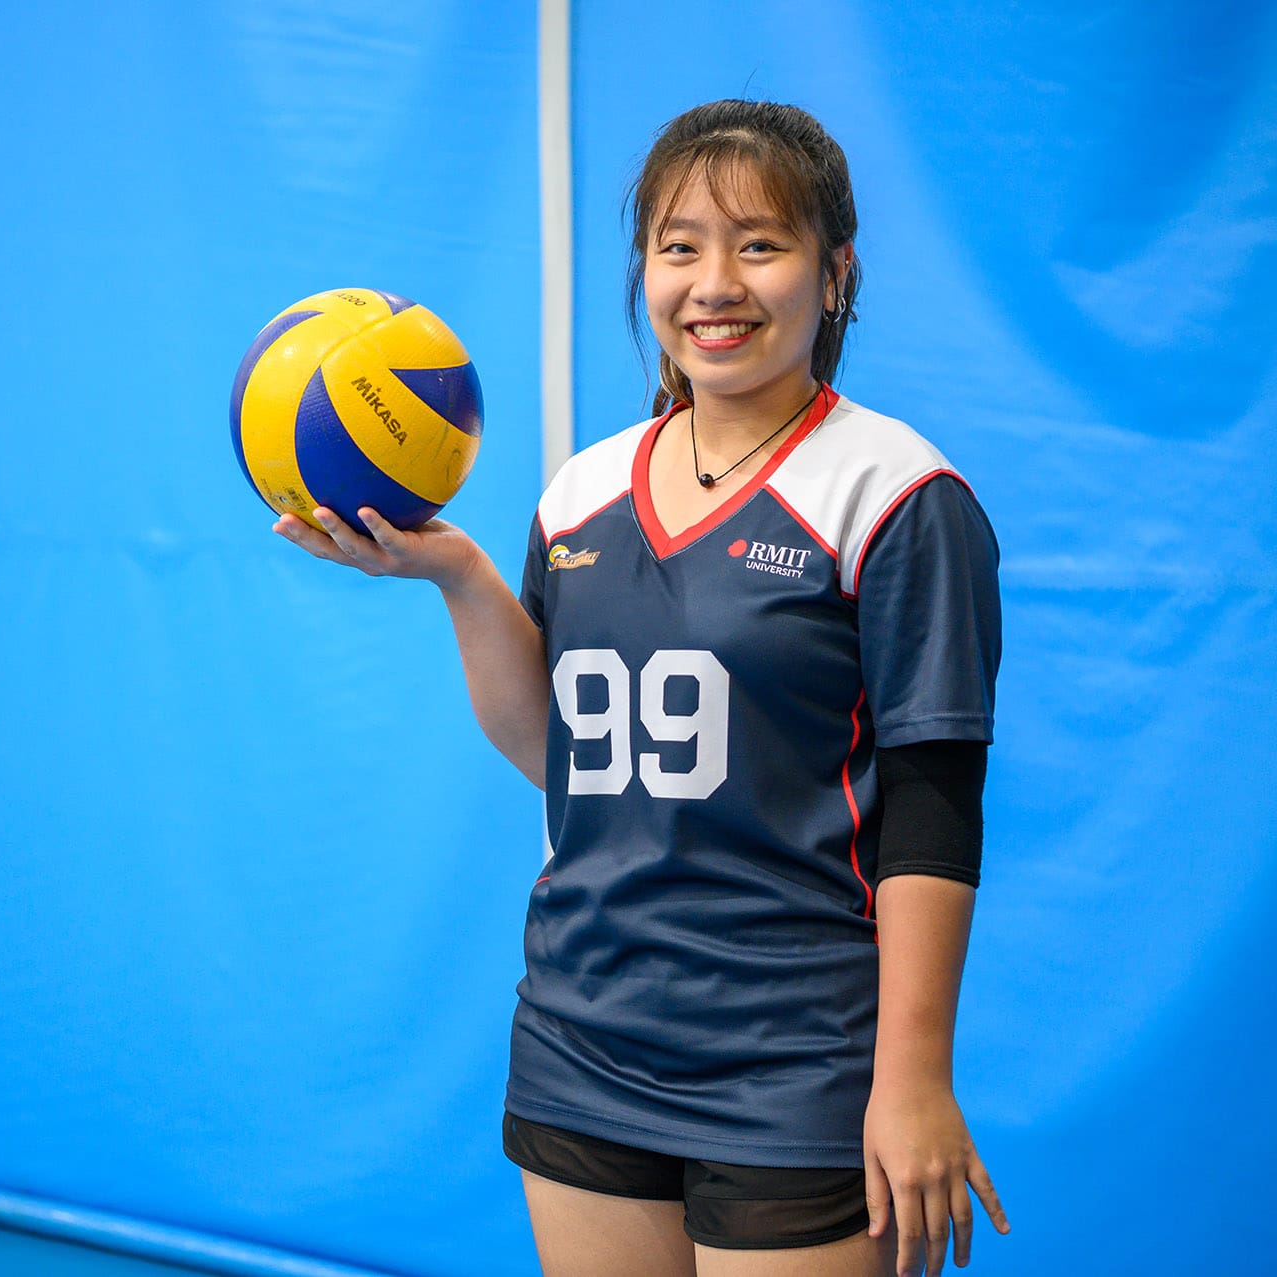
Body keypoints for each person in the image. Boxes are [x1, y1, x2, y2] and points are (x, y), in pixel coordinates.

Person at [275, 99, 1009, 1277]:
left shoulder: (897, 493)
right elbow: (565, 755)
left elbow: (933, 802)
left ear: (836, 274)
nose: (715, 282)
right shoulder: (581, 491)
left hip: (797, 1056)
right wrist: (457, 572)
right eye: (680, 246)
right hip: (585, 1037)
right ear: (646, 273)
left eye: (760, 243)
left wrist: (913, 1081)